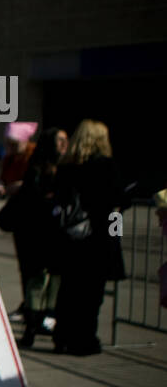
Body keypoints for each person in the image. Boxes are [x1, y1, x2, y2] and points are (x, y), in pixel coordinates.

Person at [51, 120, 131, 356]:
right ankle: (84, 340)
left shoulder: (66, 167)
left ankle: (62, 336)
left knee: (68, 291)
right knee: (91, 295)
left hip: (70, 238)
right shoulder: (105, 166)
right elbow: (118, 200)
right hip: (97, 239)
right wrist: (116, 235)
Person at [0, 128, 66, 347]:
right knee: (34, 280)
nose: (64, 144)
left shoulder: (63, 166)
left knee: (55, 279)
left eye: (65, 140)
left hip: (54, 233)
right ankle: (33, 325)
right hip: (35, 233)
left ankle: (49, 321)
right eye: (60, 140)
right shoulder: (37, 166)